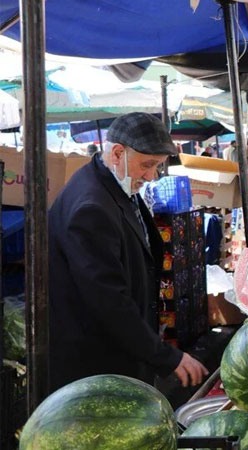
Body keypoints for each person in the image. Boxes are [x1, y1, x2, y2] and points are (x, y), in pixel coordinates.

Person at [47, 112, 208, 393]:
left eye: (157, 166)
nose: (152, 175)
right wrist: (165, 356)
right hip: (96, 363)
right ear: (118, 153)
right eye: (147, 165)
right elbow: (108, 301)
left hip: (115, 353)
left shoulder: (109, 185)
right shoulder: (91, 208)